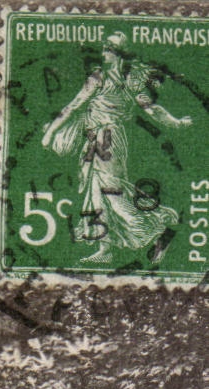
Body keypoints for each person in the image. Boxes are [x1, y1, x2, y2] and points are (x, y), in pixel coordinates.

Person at [40, 32, 190, 264]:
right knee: (97, 191)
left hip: (106, 140)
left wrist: (50, 133)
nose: (103, 52)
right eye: (103, 47)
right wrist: (175, 122)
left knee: (112, 191)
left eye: (107, 48)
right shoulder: (126, 80)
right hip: (104, 140)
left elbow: (72, 108)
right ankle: (105, 248)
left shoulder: (102, 79)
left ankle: (159, 229)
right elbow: (152, 110)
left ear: (118, 53)